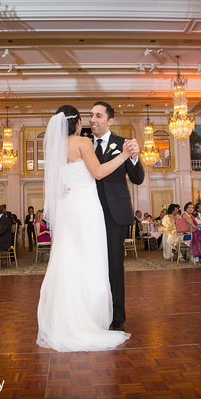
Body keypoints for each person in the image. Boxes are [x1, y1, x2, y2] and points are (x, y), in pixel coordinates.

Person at [37, 105, 136, 352]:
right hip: (86, 209)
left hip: (68, 210)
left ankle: (64, 319)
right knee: (92, 262)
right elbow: (99, 172)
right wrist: (123, 156)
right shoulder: (82, 142)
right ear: (77, 122)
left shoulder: (54, 148)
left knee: (69, 260)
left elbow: (56, 183)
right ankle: (90, 318)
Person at [89, 101, 144, 332]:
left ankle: (116, 315)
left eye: (98, 116)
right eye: (91, 115)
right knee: (91, 265)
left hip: (115, 215)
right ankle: (93, 311)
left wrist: (133, 157)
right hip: (88, 214)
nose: (93, 119)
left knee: (114, 265)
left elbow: (138, 178)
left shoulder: (124, 143)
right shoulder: (84, 144)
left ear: (110, 120)